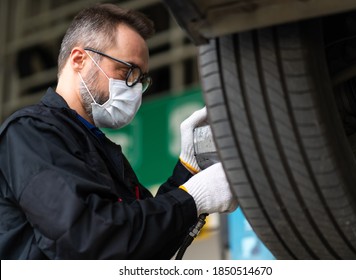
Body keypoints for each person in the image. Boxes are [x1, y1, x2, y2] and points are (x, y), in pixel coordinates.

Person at [0, 4, 237, 259]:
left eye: (141, 79)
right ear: (79, 59)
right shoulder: (31, 133)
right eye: (127, 72)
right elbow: (89, 238)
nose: (135, 89)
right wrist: (193, 199)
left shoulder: (99, 148)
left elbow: (140, 240)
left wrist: (188, 171)